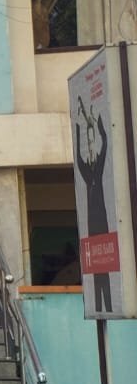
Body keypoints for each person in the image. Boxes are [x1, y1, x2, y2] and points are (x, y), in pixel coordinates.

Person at [74, 97, 113, 315]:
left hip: (102, 227)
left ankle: (105, 309)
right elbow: (79, 158)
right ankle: (99, 309)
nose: (92, 160)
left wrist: (100, 128)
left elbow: (105, 147)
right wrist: (78, 130)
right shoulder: (88, 178)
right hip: (93, 229)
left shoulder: (97, 173)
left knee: (104, 275)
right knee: (98, 275)